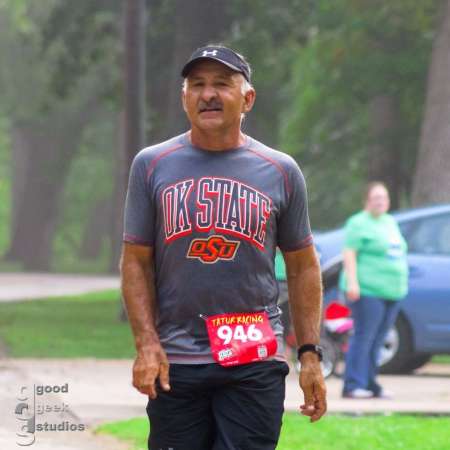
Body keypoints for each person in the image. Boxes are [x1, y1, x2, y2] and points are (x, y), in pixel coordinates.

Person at [120, 44, 326, 450]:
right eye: (196, 85)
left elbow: (303, 267)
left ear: (247, 98)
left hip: (253, 355)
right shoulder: (152, 164)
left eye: (221, 84)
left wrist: (310, 355)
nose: (207, 94)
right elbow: (136, 262)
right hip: (175, 360)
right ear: (184, 98)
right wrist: (146, 344)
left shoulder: (281, 171)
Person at [339, 182, 408, 399]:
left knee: (378, 340)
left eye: (384, 197)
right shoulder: (358, 223)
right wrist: (353, 283)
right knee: (364, 336)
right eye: (376, 197)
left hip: (392, 291)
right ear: (367, 200)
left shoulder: (389, 222)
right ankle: (352, 384)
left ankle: (370, 383)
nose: (381, 201)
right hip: (367, 290)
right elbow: (349, 254)